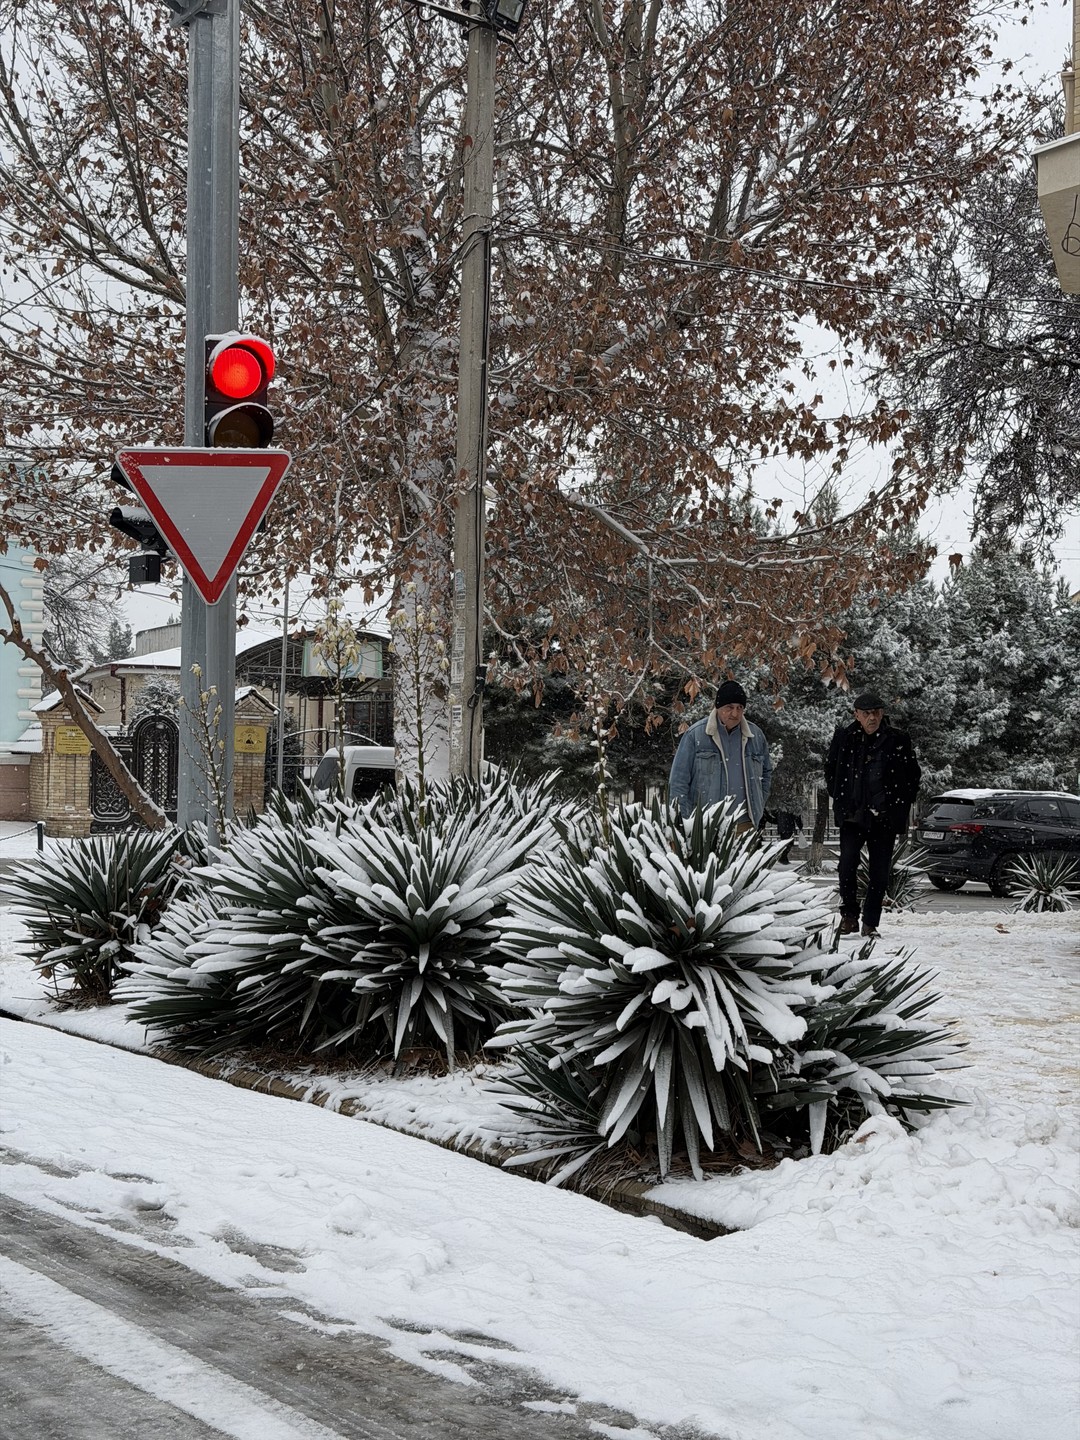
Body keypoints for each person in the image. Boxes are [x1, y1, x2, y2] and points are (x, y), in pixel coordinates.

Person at [825, 690, 921, 938]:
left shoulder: (898, 740)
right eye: (867, 713)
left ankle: (870, 922)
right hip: (853, 816)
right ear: (856, 715)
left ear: (883, 714)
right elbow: (831, 769)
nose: (872, 718)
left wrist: (901, 802)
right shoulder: (845, 738)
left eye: (877, 712)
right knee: (846, 865)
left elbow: (912, 775)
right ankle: (848, 916)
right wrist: (841, 796)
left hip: (884, 818)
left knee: (879, 872)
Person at [669, 680, 773, 827]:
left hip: (745, 825)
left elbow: (766, 773)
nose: (735, 713)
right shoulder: (696, 735)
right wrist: (682, 822)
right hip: (705, 826)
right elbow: (679, 781)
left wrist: (758, 802)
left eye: (740, 707)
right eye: (729, 707)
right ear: (718, 707)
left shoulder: (755, 736)